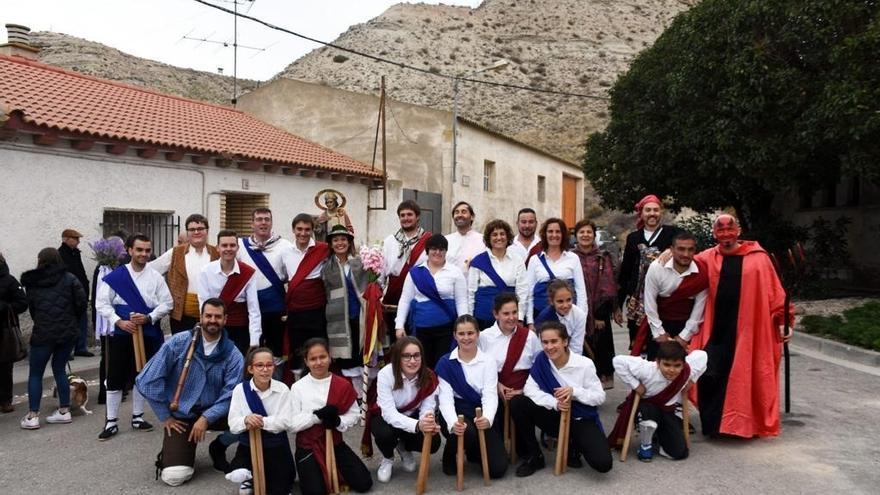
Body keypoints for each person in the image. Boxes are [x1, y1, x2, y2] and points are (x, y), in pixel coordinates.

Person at [691, 214, 792, 438]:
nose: (726, 234)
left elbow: (775, 293)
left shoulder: (758, 258)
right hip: (716, 330)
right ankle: (714, 426)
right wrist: (668, 253)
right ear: (714, 233)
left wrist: (785, 321)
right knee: (709, 373)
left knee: (747, 374)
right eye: (721, 230)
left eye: (730, 229)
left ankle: (742, 425)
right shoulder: (708, 257)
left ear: (738, 231)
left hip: (749, 330)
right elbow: (685, 261)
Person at [135, 298, 245, 486]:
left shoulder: (233, 354)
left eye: (217, 316)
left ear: (225, 320)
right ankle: (180, 450)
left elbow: (231, 395)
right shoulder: (179, 342)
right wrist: (165, 416)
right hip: (181, 415)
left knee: (247, 419)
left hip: (215, 412)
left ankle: (219, 445)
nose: (212, 320)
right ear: (201, 317)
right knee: (174, 477)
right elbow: (147, 380)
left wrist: (206, 418)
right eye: (208, 315)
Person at [95, 234, 173, 440]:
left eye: (147, 250)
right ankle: (111, 421)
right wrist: (119, 321)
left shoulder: (155, 277)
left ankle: (137, 416)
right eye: (139, 250)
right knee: (115, 375)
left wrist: (149, 317)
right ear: (129, 250)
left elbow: (167, 303)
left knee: (142, 374)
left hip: (147, 331)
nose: (144, 254)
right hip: (122, 332)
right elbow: (101, 303)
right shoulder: (116, 277)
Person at [510, 322, 611, 477]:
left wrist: (574, 392)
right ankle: (535, 456)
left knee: (603, 463)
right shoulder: (541, 361)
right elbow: (530, 389)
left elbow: (599, 397)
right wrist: (555, 403)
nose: (549, 347)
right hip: (555, 416)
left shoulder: (584, 364)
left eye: (554, 341)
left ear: (565, 342)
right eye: (545, 342)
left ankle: (574, 444)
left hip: (580, 418)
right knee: (518, 402)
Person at [288, 338, 373, 495]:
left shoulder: (342, 384)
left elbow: (355, 414)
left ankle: (331, 472)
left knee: (364, 483)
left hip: (335, 442)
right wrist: (317, 417)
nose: (318, 362)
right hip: (308, 446)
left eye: (323, 357)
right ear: (306, 361)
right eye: (313, 359)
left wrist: (338, 420)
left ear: (330, 357)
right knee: (316, 491)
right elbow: (292, 424)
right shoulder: (297, 387)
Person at [18, 248, 87, 428]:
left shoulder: (33, 283)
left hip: (43, 333)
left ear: (40, 260)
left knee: (35, 373)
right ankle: (64, 411)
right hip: (67, 333)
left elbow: (32, 308)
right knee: (59, 369)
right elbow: (81, 303)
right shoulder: (70, 279)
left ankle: (33, 416)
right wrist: (71, 321)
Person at [609, 341, 707, 461]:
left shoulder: (687, 370)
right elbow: (618, 361)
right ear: (657, 362)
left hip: (667, 411)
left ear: (683, 364)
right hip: (648, 409)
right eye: (666, 365)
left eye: (677, 366)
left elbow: (702, 356)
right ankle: (645, 444)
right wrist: (635, 385)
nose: (671, 370)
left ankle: (660, 437)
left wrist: (692, 381)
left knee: (679, 453)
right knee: (649, 415)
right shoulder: (646, 369)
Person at [436, 315, 507, 479]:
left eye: (470, 333)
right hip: (458, 412)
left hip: (481, 413)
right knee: (466, 432)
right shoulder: (445, 363)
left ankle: (473, 451)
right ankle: (449, 454)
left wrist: (487, 418)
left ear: (477, 334)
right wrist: (454, 424)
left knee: (497, 469)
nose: (466, 338)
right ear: (455, 335)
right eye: (461, 334)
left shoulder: (488, 361)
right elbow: (445, 401)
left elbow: (490, 394)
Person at [368, 336, 441, 483]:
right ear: (397, 357)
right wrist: (417, 425)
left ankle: (403, 447)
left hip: (413, 417)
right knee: (384, 434)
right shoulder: (386, 374)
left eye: (416, 355)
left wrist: (427, 421)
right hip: (386, 418)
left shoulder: (429, 376)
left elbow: (427, 408)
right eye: (406, 356)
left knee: (434, 443)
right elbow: (388, 413)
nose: (412, 361)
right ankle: (388, 457)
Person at [478, 293, 541, 456]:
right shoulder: (484, 337)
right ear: (495, 314)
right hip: (495, 390)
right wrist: (497, 386)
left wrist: (524, 390)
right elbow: (480, 369)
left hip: (524, 391)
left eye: (515, 312)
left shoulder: (529, 336)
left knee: (522, 447)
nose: (512, 318)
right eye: (506, 313)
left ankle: (532, 452)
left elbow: (540, 367)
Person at [226, 347, 295, 495]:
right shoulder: (240, 390)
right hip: (249, 444)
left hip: (276, 445)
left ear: (273, 367)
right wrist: (245, 419)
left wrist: (262, 421)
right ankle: (249, 476)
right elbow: (233, 423)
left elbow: (286, 421)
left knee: (280, 487)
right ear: (250, 369)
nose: (265, 369)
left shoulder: (282, 389)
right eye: (259, 365)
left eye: (269, 365)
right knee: (239, 472)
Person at [395, 234, 468, 368]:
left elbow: (462, 301)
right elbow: (405, 300)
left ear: (446, 251)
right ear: (427, 251)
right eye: (434, 249)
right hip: (421, 330)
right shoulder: (415, 273)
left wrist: (465, 325)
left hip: (447, 329)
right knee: (422, 366)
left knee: (443, 365)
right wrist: (399, 325)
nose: (438, 252)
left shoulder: (455, 272)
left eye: (441, 249)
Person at [633, 232, 708, 361]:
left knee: (685, 370)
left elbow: (699, 310)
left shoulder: (702, 272)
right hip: (659, 322)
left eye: (690, 249)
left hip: (687, 325)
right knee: (655, 369)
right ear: (671, 250)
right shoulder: (657, 268)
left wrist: (684, 336)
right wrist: (659, 333)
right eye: (681, 249)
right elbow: (650, 303)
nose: (686, 254)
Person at [617, 195, 681, 346]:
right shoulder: (633, 238)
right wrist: (618, 305)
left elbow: (688, 245)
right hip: (638, 300)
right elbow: (626, 271)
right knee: (639, 344)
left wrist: (672, 249)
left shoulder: (673, 233)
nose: (652, 213)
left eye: (655, 210)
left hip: (664, 299)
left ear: (661, 212)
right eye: (648, 210)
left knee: (664, 345)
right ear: (641, 213)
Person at [237, 208, 294, 360]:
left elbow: (293, 275)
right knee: (250, 348)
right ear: (252, 224)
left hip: (275, 306)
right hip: (247, 307)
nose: (263, 223)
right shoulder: (240, 246)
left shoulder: (285, 246)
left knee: (275, 350)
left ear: (271, 222)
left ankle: (276, 382)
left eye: (267, 219)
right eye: (259, 219)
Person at [572, 219, 621, 388]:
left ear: (594, 236)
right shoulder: (571, 257)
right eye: (582, 232)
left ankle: (598, 388)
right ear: (576, 235)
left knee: (600, 350)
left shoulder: (602, 257)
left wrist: (600, 314)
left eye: (589, 232)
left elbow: (608, 286)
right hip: (577, 312)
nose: (585, 235)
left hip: (598, 313)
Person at [150, 214, 219, 333]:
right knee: (182, 349)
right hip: (181, 315)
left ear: (207, 231)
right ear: (187, 233)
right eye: (192, 229)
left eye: (200, 229)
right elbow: (152, 271)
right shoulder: (176, 252)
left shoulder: (217, 253)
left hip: (211, 315)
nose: (196, 232)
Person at [198, 229, 261, 357]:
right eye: (224, 245)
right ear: (217, 248)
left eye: (232, 245)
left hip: (240, 331)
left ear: (237, 248)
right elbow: (203, 304)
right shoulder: (206, 271)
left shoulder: (248, 273)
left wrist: (254, 340)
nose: (228, 249)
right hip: (214, 327)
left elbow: (254, 310)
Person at [322, 224, 368, 389]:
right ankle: (355, 396)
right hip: (339, 321)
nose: (340, 243)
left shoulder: (360, 263)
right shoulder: (327, 268)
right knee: (348, 361)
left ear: (349, 242)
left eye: (343, 239)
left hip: (361, 318)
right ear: (331, 244)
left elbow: (373, 285)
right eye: (335, 240)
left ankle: (366, 399)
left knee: (363, 357)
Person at [382, 200, 431, 346]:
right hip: (393, 298)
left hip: (418, 297)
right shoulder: (390, 241)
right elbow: (382, 270)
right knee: (395, 342)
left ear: (418, 217)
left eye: (410, 214)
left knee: (417, 341)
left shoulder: (428, 240)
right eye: (402, 215)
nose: (406, 218)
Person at [285, 214, 330, 376]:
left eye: (307, 229)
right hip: (295, 311)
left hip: (317, 311)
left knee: (318, 348)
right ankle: (298, 385)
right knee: (297, 350)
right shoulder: (285, 252)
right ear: (293, 230)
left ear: (312, 230)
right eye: (299, 229)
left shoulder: (323, 249)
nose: (303, 233)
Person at [467, 219, 529, 329]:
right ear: (489, 239)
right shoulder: (478, 261)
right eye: (494, 234)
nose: (499, 238)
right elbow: (470, 293)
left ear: (508, 237)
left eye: (502, 234)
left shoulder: (517, 260)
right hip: (483, 319)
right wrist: (470, 319)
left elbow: (522, 291)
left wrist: (519, 317)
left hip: (510, 319)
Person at [524, 218, 587, 326]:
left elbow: (581, 291)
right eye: (550, 231)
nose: (554, 235)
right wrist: (530, 321)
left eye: (558, 231)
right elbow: (528, 293)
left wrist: (581, 319)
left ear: (563, 235)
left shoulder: (573, 258)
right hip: (541, 317)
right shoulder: (535, 260)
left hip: (568, 318)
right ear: (544, 234)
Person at [58, 228, 93, 357]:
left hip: (80, 293)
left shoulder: (75, 253)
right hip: (69, 294)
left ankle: (81, 347)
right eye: (76, 239)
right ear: (66, 239)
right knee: (69, 324)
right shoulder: (60, 254)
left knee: (82, 321)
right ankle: (68, 350)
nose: (78, 242)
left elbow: (80, 272)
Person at [0, 252, 28, 413]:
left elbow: (22, 303)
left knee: (4, 367)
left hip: (4, 331)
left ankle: (5, 400)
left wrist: (4, 307)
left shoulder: (9, 280)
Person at [533, 280, 587, 357]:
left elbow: (576, 347)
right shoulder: (543, 319)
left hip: (571, 356)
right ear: (551, 301)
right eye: (560, 301)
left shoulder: (579, 315)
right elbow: (542, 348)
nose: (565, 305)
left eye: (569, 300)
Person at [445, 201, 485, 275]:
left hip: (474, 284)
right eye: (456, 212)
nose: (459, 215)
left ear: (472, 217)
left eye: (464, 212)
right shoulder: (446, 240)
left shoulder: (483, 240)